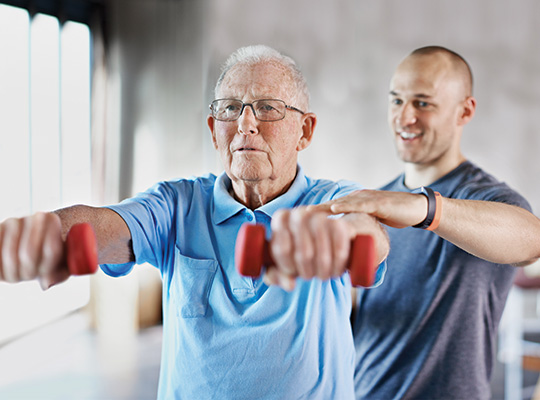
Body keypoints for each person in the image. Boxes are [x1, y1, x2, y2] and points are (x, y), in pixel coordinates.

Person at [0, 45, 389, 399]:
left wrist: (337, 237)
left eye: (268, 107)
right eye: (230, 108)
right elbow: (107, 226)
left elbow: (367, 230)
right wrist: (49, 233)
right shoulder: (176, 205)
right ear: (213, 130)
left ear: (305, 131)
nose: (245, 124)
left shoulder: (331, 200)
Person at [312, 46, 540, 399]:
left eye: (422, 103)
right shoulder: (377, 203)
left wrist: (426, 209)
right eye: (396, 101)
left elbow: (531, 239)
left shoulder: (487, 198)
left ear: (465, 111)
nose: (404, 118)